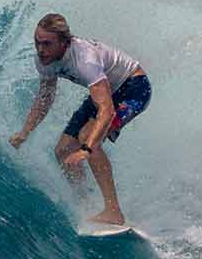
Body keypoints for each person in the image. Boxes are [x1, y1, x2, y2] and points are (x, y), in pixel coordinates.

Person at [8, 13, 151, 226]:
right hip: (107, 91)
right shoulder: (44, 60)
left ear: (65, 43)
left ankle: (113, 211)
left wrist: (87, 148)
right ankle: (86, 202)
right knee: (63, 151)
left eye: (47, 43)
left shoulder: (85, 60)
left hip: (134, 88)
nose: (40, 49)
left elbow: (107, 110)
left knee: (88, 138)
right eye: (37, 42)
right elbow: (45, 99)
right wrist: (24, 132)